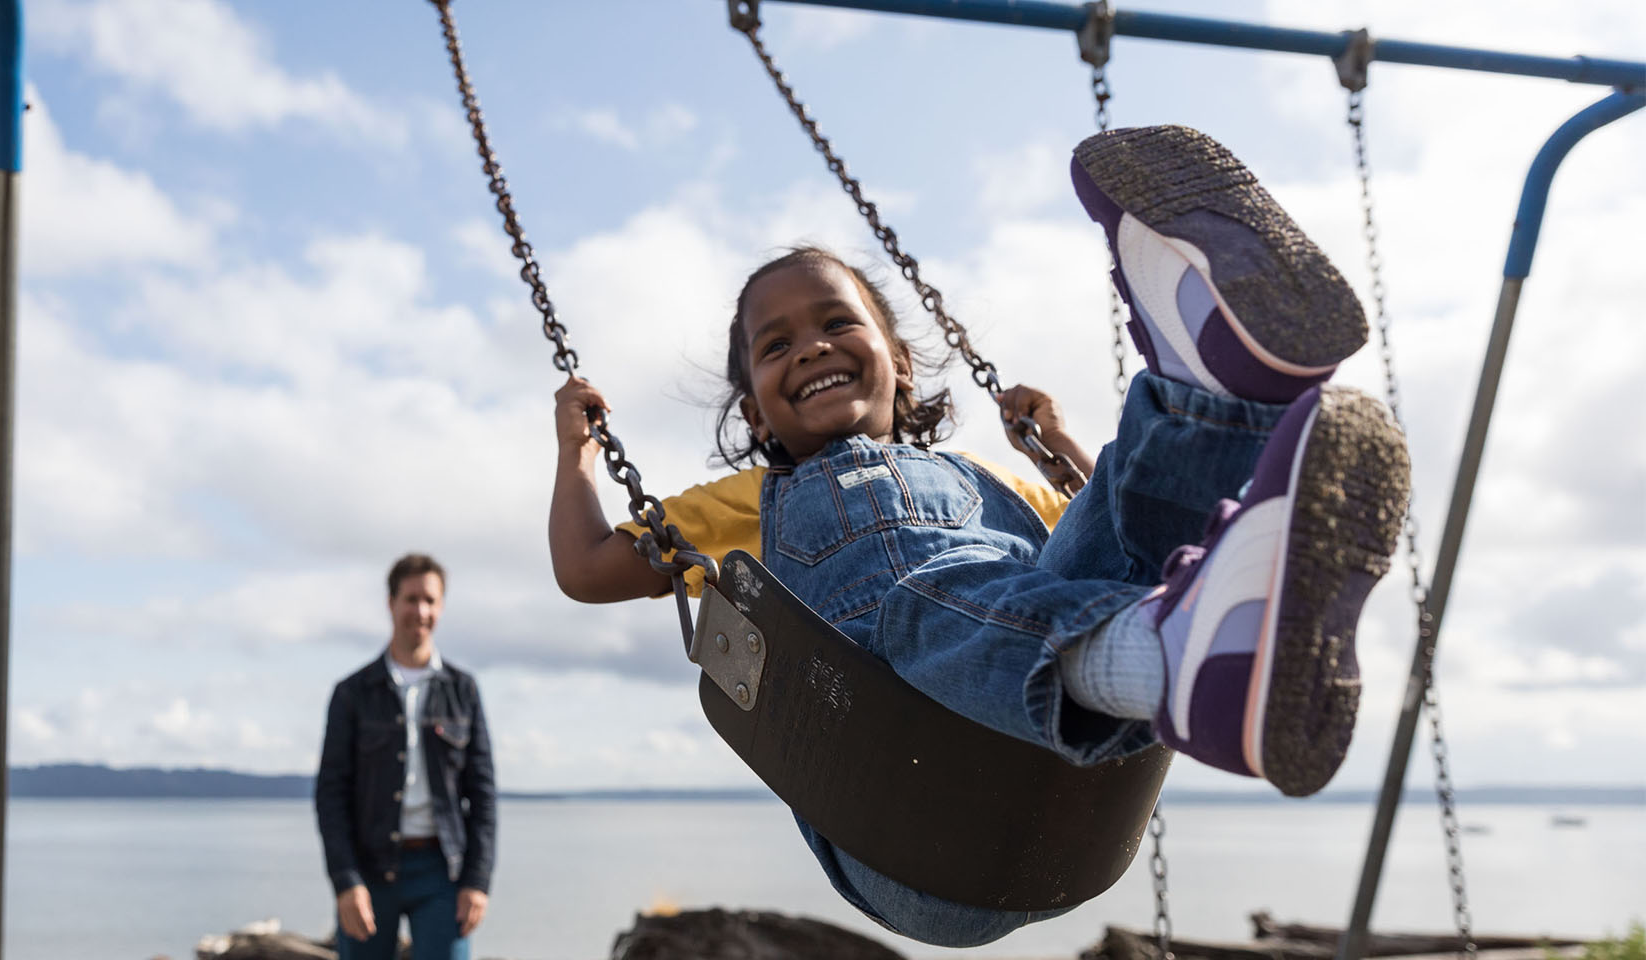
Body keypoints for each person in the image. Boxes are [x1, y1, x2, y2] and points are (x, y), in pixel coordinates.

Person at [546, 125, 1411, 947]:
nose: (809, 347)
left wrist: (1064, 444)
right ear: (754, 412)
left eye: (837, 323)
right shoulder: (743, 504)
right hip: (908, 826)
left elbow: (1100, 533)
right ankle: (1176, 651)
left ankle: (1214, 393)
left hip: (1062, 792)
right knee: (919, 602)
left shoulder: (989, 480)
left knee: (1087, 537)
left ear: (902, 362)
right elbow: (587, 569)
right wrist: (576, 455)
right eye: (775, 346)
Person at [315, 554, 497, 960]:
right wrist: (346, 881)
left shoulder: (463, 690)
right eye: (411, 599)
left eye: (430, 601)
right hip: (369, 870)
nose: (421, 611)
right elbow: (330, 794)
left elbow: (483, 795)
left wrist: (477, 882)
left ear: (441, 607)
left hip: (442, 872)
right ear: (391, 603)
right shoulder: (352, 693)